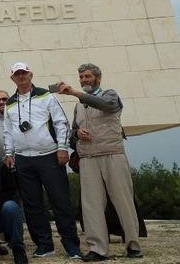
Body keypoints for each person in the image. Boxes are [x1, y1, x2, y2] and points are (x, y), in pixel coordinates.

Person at [60, 63, 142, 261]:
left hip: (112, 154)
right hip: (88, 159)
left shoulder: (110, 94)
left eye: (87, 76)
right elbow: (72, 134)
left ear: (98, 78)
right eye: (81, 77)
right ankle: (98, 249)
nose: (84, 80)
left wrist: (76, 92)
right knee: (91, 205)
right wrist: (77, 133)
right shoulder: (79, 106)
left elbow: (106, 106)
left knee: (123, 202)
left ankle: (133, 245)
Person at [4, 62, 82, 258]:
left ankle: (72, 245)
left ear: (31, 74)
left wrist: (62, 148)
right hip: (23, 159)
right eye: (17, 74)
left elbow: (60, 122)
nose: (21, 76)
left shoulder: (46, 96)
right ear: (12, 78)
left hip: (49, 156)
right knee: (32, 205)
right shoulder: (10, 103)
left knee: (60, 201)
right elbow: (8, 131)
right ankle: (44, 245)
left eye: (24, 73)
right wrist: (8, 153)